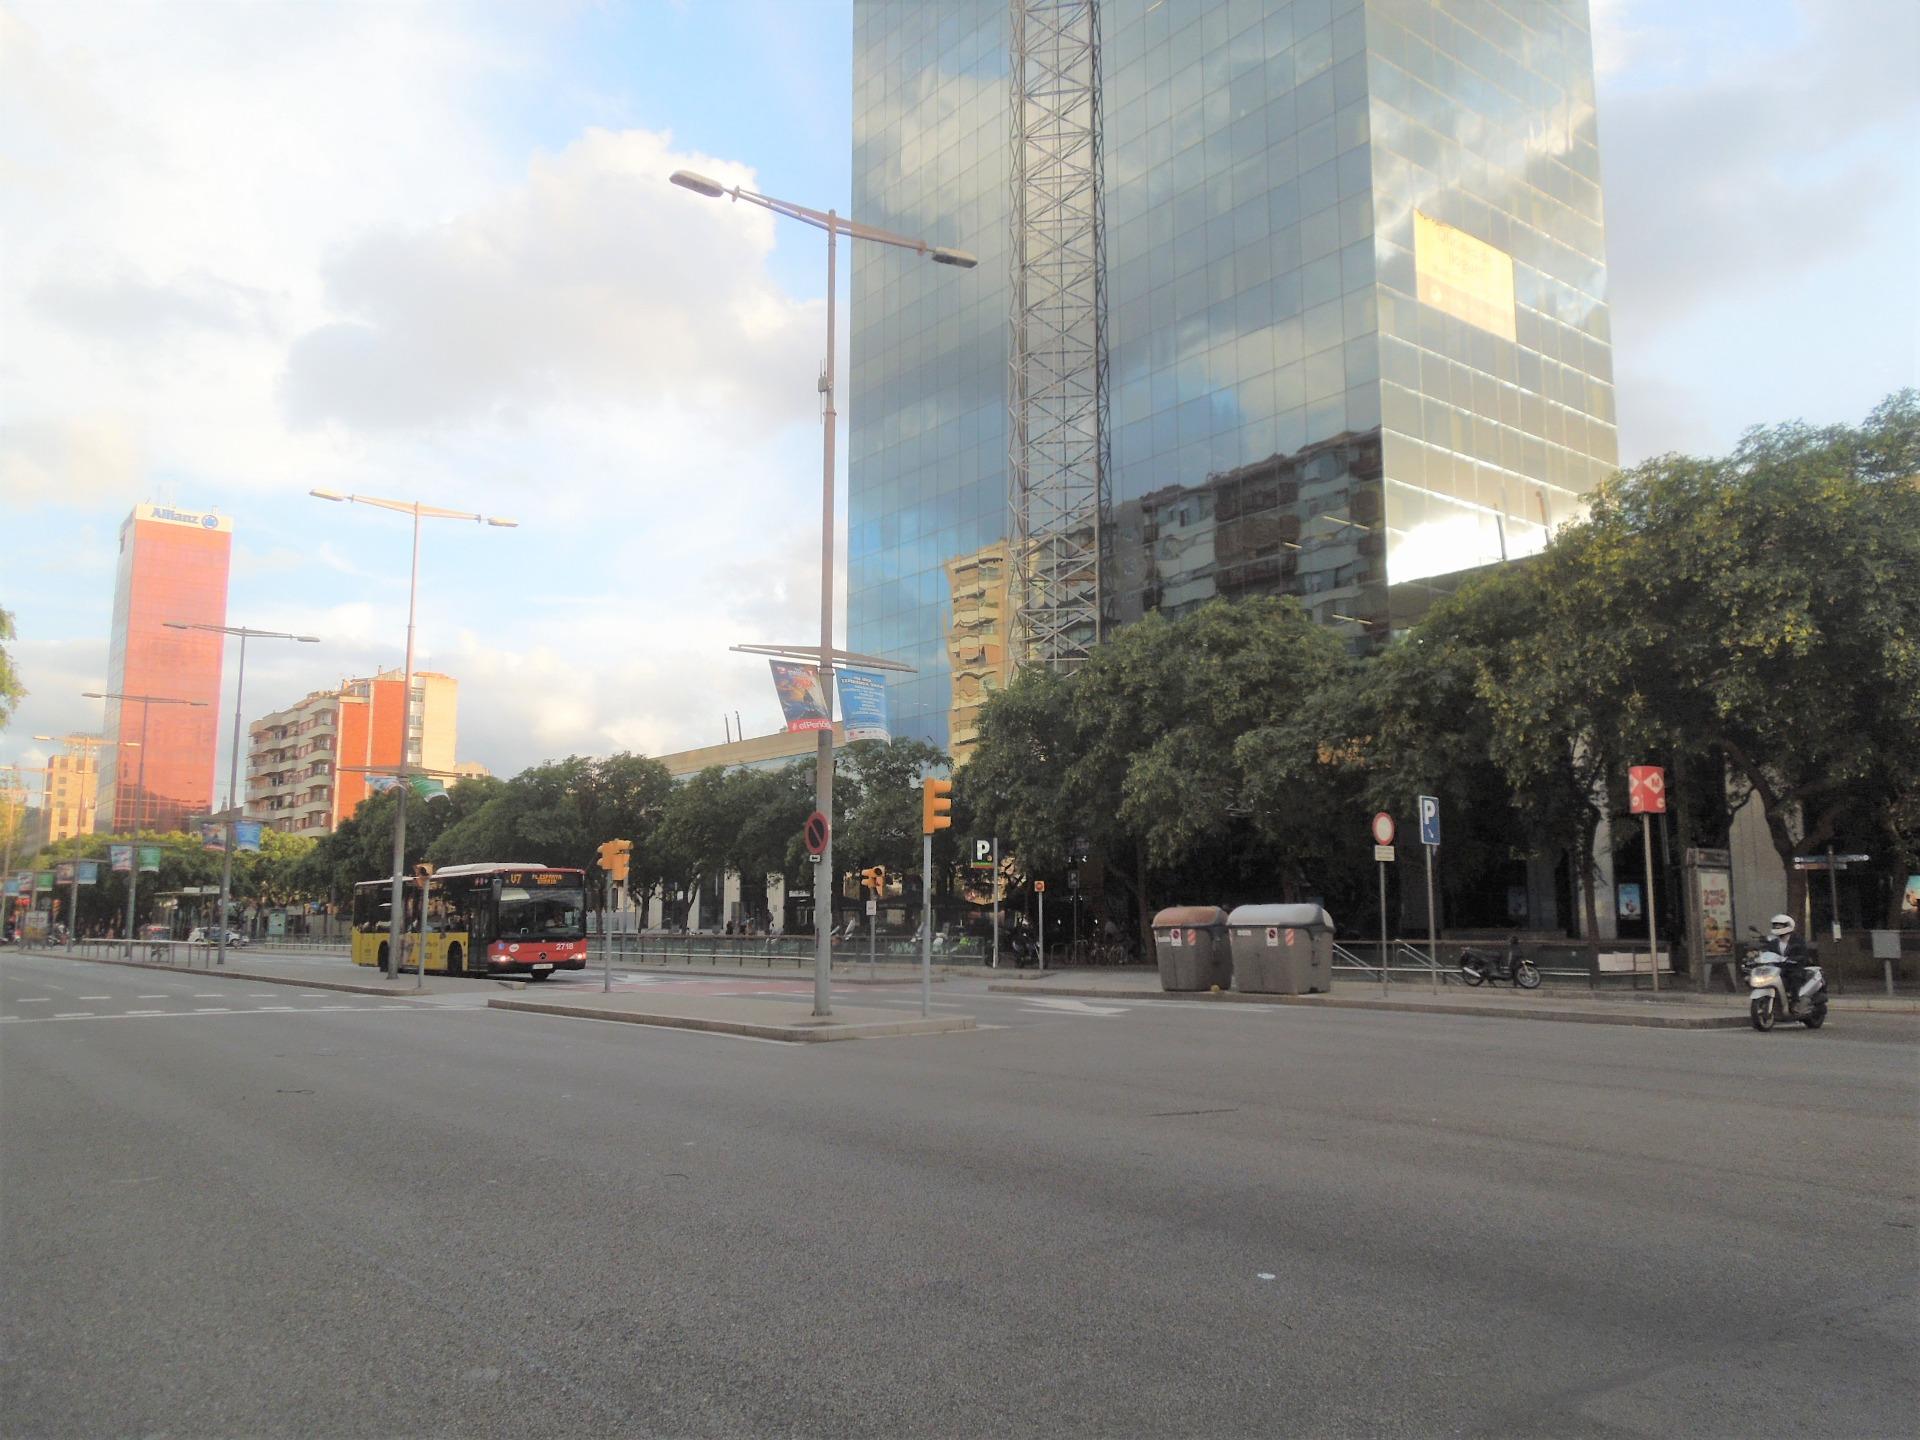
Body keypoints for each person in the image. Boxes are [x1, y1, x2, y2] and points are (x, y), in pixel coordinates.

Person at [1764, 913, 1812, 1000]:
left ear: (1788, 925)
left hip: (1793, 968)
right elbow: (1767, 953)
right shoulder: (1773, 942)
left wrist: (1794, 959)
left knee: (1795, 977)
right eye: (1775, 925)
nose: (1777, 927)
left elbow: (1803, 955)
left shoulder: (1798, 941)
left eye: (1780, 925)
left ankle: (1795, 1000)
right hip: (1777, 970)